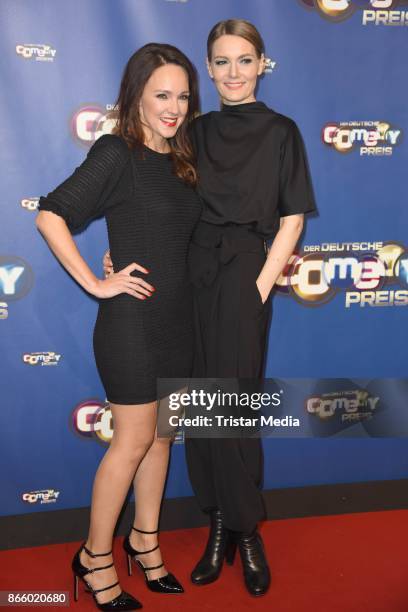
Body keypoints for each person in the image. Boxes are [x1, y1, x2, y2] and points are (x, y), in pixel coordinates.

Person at [104, 19, 317, 598]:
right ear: (209, 70)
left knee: (236, 403)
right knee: (193, 404)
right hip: (187, 272)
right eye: (220, 62)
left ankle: (247, 529)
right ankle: (216, 523)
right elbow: (156, 199)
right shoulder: (190, 131)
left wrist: (259, 286)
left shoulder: (282, 131)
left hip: (245, 270)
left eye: (243, 60)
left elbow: (292, 215)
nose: (232, 73)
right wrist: (116, 256)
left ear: (261, 64)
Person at [36, 43, 202, 611]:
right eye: (162, 95)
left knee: (162, 438)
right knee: (131, 441)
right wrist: (95, 280)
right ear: (135, 95)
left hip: (180, 320)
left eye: (182, 95)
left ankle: (146, 543)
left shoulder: (184, 159)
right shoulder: (116, 152)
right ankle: (94, 557)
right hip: (130, 323)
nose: (174, 106)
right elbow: (51, 213)